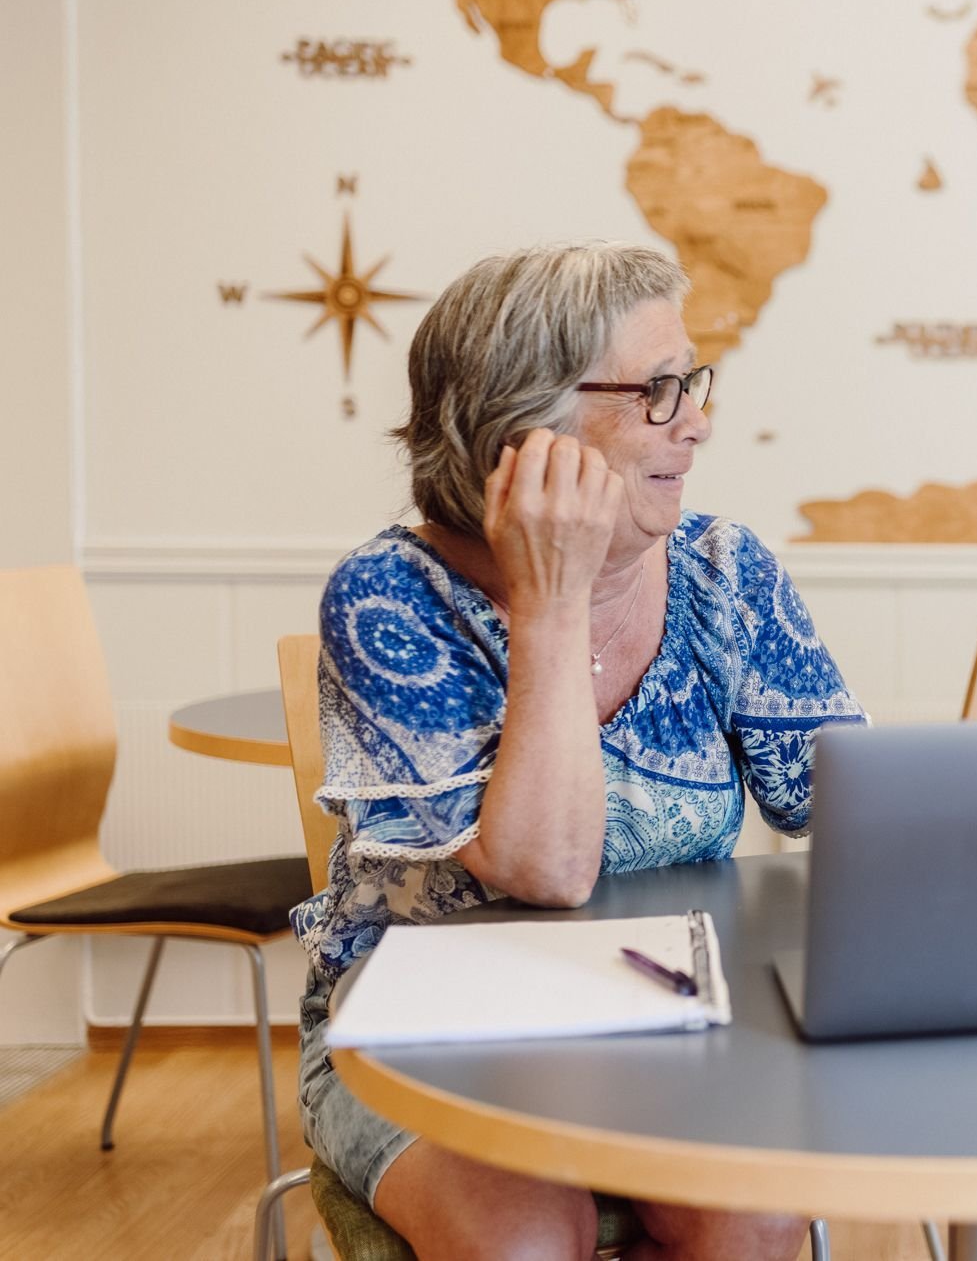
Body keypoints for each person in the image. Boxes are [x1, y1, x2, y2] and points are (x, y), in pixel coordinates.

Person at [289, 241, 865, 1261]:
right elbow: (545, 869)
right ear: (522, 426)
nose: (696, 419)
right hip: (426, 1041)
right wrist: (551, 597)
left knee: (756, 1221)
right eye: (657, 389)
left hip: (667, 1024)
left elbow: (844, 804)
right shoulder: (388, 597)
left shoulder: (725, 570)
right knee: (526, 1236)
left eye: (689, 381)